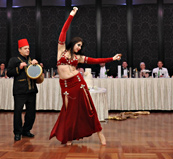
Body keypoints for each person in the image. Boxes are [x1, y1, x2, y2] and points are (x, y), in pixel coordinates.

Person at [49, 7, 121, 146]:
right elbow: (63, 31)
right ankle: (69, 136)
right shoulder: (61, 51)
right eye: (78, 44)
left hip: (78, 83)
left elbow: (95, 60)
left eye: (81, 46)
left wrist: (112, 58)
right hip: (65, 85)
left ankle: (100, 134)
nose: (79, 47)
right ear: (73, 43)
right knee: (68, 111)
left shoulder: (78, 57)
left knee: (88, 108)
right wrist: (71, 15)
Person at [7, 39, 39, 141]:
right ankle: (17, 132)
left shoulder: (31, 60)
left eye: (28, 48)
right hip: (20, 91)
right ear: (19, 50)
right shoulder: (14, 60)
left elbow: (36, 75)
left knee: (31, 113)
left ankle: (26, 130)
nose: (27, 50)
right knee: (18, 112)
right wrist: (19, 68)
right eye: (25, 48)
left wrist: (37, 66)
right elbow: (9, 73)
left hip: (31, 91)